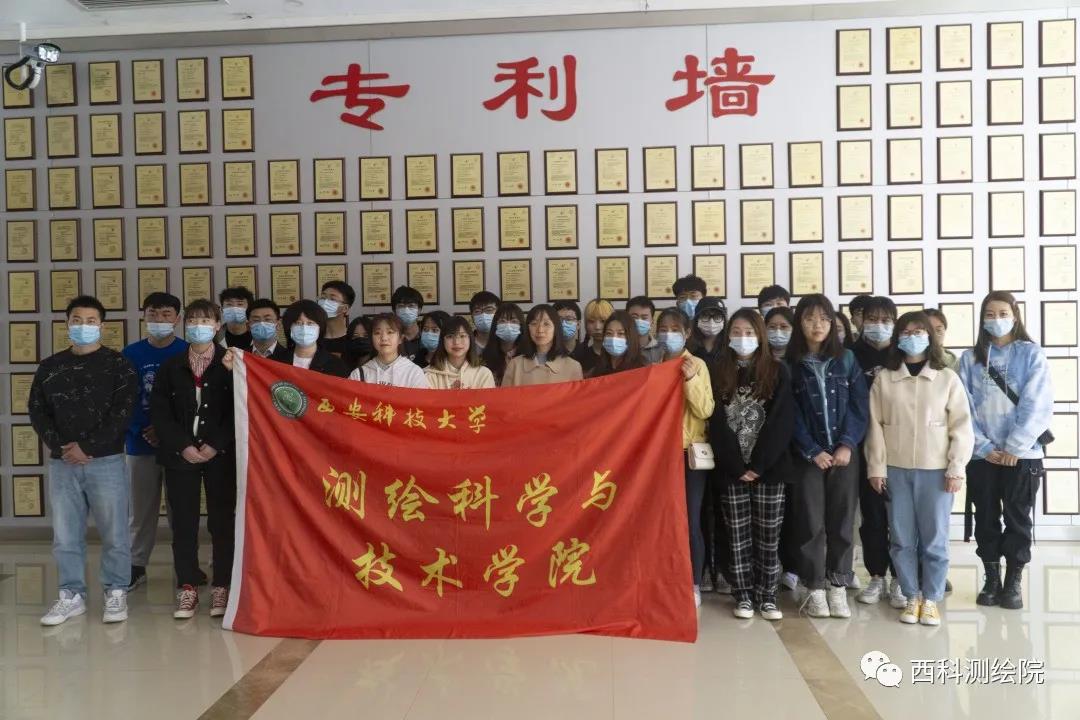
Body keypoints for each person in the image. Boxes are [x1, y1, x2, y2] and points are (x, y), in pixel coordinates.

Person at [31, 296, 138, 626]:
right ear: (67, 324)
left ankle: (116, 590)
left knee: (115, 532)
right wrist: (63, 447)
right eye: (76, 320)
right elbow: (38, 411)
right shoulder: (50, 367)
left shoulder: (118, 365)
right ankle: (71, 594)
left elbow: (122, 413)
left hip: (106, 462)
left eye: (91, 321)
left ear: (102, 326)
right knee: (66, 535)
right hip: (63, 462)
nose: (83, 326)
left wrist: (88, 447)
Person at [866, 312, 974, 626]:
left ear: (930, 336)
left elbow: (961, 427)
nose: (912, 337)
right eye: (906, 331)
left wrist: (956, 468)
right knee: (901, 539)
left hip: (936, 471)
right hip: (896, 470)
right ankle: (911, 595)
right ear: (897, 338)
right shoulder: (885, 378)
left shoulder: (947, 378)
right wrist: (876, 467)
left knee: (935, 540)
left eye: (919, 331)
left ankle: (931, 598)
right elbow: (875, 426)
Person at [958, 291, 1053, 611]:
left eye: (1002, 313)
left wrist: (1015, 446)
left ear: (1015, 316)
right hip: (982, 455)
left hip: (1022, 455)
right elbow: (962, 408)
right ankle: (991, 578)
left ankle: (1013, 580)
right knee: (985, 516)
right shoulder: (969, 359)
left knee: (1017, 518)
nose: (996, 319)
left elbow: (1038, 403)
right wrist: (983, 446)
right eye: (989, 314)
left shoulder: (1031, 354)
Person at [150, 300, 235, 620]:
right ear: (185, 325)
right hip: (180, 456)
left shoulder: (231, 363)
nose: (199, 325)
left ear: (218, 326)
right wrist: (183, 445)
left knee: (221, 523)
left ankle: (222, 585)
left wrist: (215, 444)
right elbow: (161, 413)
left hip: (220, 456)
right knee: (184, 523)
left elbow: (238, 410)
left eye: (206, 320)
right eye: (194, 320)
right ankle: (187, 586)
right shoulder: (171, 366)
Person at [788, 294, 869, 619]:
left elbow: (859, 407)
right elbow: (790, 415)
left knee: (842, 522)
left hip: (844, 455)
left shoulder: (847, 359)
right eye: (809, 318)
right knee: (811, 524)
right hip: (808, 457)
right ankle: (815, 588)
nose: (817, 325)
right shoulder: (790, 365)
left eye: (823, 318)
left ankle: (838, 586)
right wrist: (812, 450)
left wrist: (847, 445)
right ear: (800, 324)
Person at [709, 309, 794, 620]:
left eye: (749, 332)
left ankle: (767, 595)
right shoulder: (718, 371)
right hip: (731, 470)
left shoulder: (778, 370)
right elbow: (716, 422)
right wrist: (736, 465)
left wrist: (758, 464)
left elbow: (782, 421)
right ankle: (743, 594)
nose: (742, 338)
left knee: (769, 535)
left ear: (760, 335)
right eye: (736, 331)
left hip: (769, 469)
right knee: (737, 534)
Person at [123, 292, 189, 592]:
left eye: (166, 314)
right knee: (140, 512)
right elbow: (125, 400)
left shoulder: (188, 351)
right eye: (153, 314)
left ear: (177, 318)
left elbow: (191, 401)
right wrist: (142, 429)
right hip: (140, 445)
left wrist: (166, 430)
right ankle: (136, 566)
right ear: (144, 317)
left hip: (179, 445)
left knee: (182, 510)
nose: (159, 319)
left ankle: (185, 566)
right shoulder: (131, 354)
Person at [656, 308, 715, 608]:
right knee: (662, 520)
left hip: (689, 454)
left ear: (687, 333)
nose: (668, 334)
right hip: (658, 457)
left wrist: (690, 379)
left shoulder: (698, 365)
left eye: (674, 329)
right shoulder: (653, 366)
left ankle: (693, 583)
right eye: (663, 329)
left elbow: (705, 410)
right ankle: (666, 578)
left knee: (690, 520)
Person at [852, 297, 905, 609]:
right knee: (872, 516)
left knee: (900, 517)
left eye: (885, 320)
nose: (878, 325)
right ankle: (876, 576)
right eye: (872, 319)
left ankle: (900, 577)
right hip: (864, 446)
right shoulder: (850, 354)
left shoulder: (903, 354)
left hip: (900, 447)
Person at [503, 304, 584, 386]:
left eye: (546, 324)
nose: (540, 330)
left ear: (556, 328)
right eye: (534, 323)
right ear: (528, 328)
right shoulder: (515, 365)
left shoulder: (573, 366)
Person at [274, 300, 349, 377]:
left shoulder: (335, 364)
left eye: (310, 323)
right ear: (289, 327)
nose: (304, 328)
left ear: (320, 328)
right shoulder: (275, 361)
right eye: (298, 323)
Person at [351, 313, 429, 387]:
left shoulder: (414, 373)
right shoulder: (358, 374)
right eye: (377, 333)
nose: (384, 338)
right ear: (371, 338)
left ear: (400, 339)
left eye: (390, 332)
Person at [425, 316, 496, 389]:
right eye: (450, 336)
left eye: (462, 336)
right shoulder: (430, 374)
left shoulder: (483, 374)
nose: (456, 342)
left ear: (470, 339)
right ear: (442, 341)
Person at [588, 310, 646, 377]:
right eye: (609, 333)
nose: (614, 338)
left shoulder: (641, 370)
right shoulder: (597, 369)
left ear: (631, 337)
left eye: (620, 333)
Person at [482, 303, 527, 386]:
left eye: (514, 321)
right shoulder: (484, 358)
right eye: (502, 321)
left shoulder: (528, 356)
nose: (508, 325)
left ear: (521, 326)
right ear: (495, 325)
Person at [573, 299, 613, 375]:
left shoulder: (619, 354)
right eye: (591, 321)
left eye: (603, 321)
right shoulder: (578, 354)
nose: (597, 327)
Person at [317, 280, 356, 358]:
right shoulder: (312, 338)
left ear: (345, 308)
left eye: (332, 299)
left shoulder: (353, 340)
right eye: (323, 298)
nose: (324, 303)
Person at [689, 297, 728, 366]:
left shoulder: (730, 346)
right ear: (697, 320)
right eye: (705, 316)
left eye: (717, 317)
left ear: (724, 321)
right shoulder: (688, 346)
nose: (711, 322)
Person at [627, 296, 663, 365]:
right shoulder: (619, 347)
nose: (639, 321)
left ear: (652, 322)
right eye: (634, 317)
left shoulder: (661, 349)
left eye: (644, 318)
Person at [391, 285, 425, 361]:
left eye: (411, 306)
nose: (406, 310)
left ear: (419, 310)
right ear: (394, 311)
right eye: (401, 306)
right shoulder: (389, 338)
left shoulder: (428, 336)